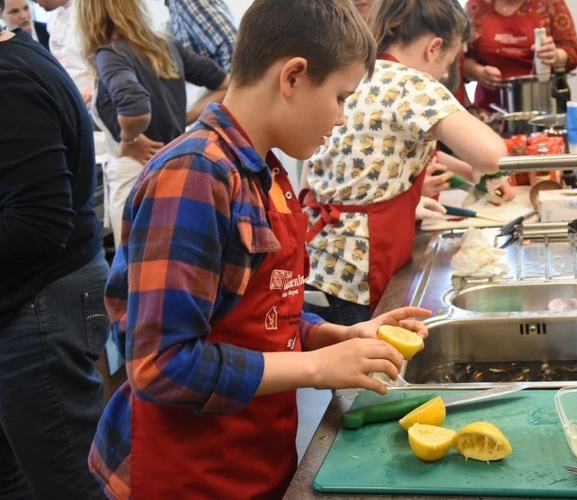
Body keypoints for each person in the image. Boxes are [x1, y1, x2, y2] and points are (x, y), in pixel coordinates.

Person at [86, 0, 431, 497]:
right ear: (292, 76)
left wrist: (333, 335)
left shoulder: (263, 171)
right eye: (339, 96)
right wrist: (315, 369)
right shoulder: (195, 175)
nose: (340, 117)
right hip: (185, 474)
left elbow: (258, 309)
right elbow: (160, 365)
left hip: (251, 461)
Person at [301, 0, 515, 327]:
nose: (444, 73)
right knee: (363, 370)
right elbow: (494, 154)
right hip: (358, 274)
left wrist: (473, 170)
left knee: (336, 368)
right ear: (434, 47)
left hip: (316, 261)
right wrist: (486, 165)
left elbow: (376, 156)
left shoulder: (357, 70)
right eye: (448, 62)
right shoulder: (411, 84)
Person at [0, 1, 109, 497]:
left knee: (69, 483)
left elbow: (40, 222)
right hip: (34, 302)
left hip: (39, 305)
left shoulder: (9, 80)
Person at [76, 0, 230, 248]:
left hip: (136, 176)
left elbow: (135, 108)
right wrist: (182, 118)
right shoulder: (165, 45)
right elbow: (225, 84)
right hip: (176, 169)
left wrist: (130, 139)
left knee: (134, 270)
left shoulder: (110, 54)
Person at [463, 0, 577, 112]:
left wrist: (555, 56)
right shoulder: (476, 6)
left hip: (542, 103)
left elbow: (572, 52)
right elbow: (458, 59)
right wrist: (478, 71)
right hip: (490, 108)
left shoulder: (550, 4)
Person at [35, 0, 93, 103]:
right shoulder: (54, 17)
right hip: (72, 97)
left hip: (96, 98)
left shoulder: (91, 10)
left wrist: (95, 88)